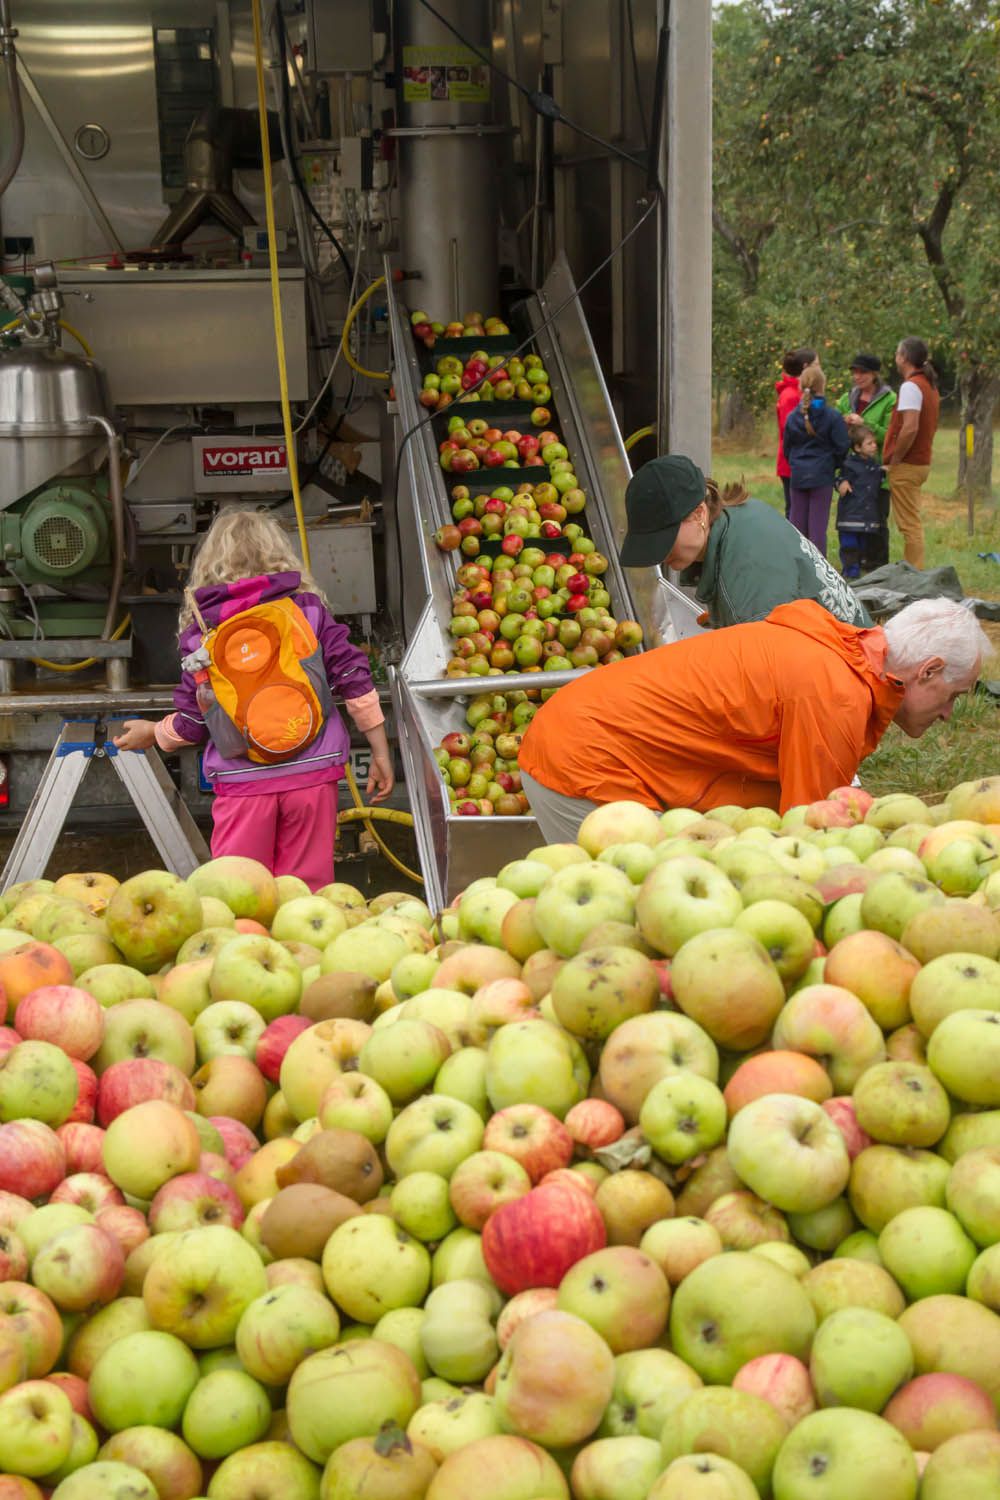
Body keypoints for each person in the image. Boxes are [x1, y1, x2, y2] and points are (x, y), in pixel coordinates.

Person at [518, 596, 989, 843]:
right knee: (627, 926)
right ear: (928, 671)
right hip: (583, 761)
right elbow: (807, 836)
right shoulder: (836, 694)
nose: (948, 715)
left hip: (587, 736)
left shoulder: (838, 658)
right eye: (953, 696)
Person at [113, 511, 393, 889]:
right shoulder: (307, 611)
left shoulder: (202, 634)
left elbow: (195, 722)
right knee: (304, 893)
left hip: (242, 782)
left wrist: (154, 733)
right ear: (281, 555)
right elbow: (352, 677)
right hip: (313, 774)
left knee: (240, 892)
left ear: (209, 564)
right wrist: (379, 749)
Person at [619, 453, 869, 628]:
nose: (661, 554)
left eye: (665, 537)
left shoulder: (748, 577)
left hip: (848, 676)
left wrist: (737, 613)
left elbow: (768, 678)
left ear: (699, 513)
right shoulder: (742, 515)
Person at [883, 336, 940, 570]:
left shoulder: (910, 386)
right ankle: (913, 569)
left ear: (904, 358)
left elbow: (910, 427)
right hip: (921, 461)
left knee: (909, 525)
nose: (895, 358)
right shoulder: (928, 385)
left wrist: (895, 458)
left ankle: (914, 573)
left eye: (897, 353)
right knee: (911, 522)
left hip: (908, 463)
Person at [783, 366, 850, 558]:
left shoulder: (793, 417)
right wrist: (832, 464)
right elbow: (842, 446)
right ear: (823, 386)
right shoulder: (832, 416)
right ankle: (819, 576)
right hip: (822, 476)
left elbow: (787, 448)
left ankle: (798, 571)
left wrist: (797, 463)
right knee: (817, 530)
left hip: (798, 476)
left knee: (798, 530)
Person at [836, 353, 896, 569]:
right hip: (852, 469)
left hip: (876, 470)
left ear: (874, 374)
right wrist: (842, 423)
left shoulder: (890, 400)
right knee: (852, 519)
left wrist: (865, 423)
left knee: (878, 519)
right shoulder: (847, 398)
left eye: (863, 372)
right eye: (855, 372)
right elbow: (835, 426)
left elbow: (890, 435)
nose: (857, 377)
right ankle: (854, 562)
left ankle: (877, 565)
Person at [836, 425, 885, 580]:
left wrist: (883, 472)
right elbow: (838, 477)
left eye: (874, 443)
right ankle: (850, 570)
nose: (874, 446)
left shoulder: (874, 465)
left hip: (867, 516)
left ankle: (860, 565)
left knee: (863, 544)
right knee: (849, 544)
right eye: (869, 443)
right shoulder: (848, 464)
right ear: (857, 447)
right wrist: (841, 483)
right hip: (849, 515)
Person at [774, 347, 816, 518]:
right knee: (794, 510)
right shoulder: (790, 396)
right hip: (792, 462)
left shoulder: (800, 393)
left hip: (799, 460)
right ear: (806, 367)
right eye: (817, 364)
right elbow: (792, 429)